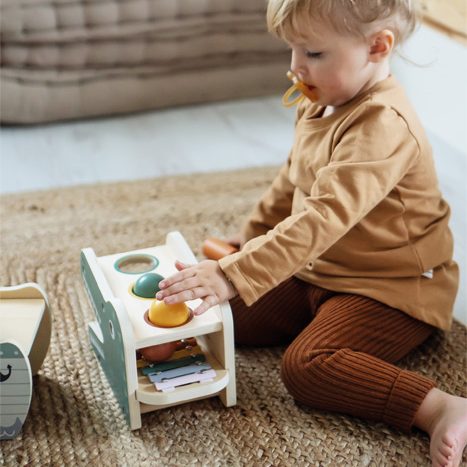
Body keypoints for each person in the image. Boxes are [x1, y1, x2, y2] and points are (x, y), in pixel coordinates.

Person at [156, 0, 467, 465]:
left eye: (314, 53)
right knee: (225, 314)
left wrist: (236, 272)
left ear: (377, 47)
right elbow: (293, 181)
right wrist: (248, 244)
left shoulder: (383, 125)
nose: (296, 66)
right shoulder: (320, 98)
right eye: (293, 49)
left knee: (307, 367)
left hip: (392, 287)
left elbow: (323, 216)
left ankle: (439, 406)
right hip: (321, 268)